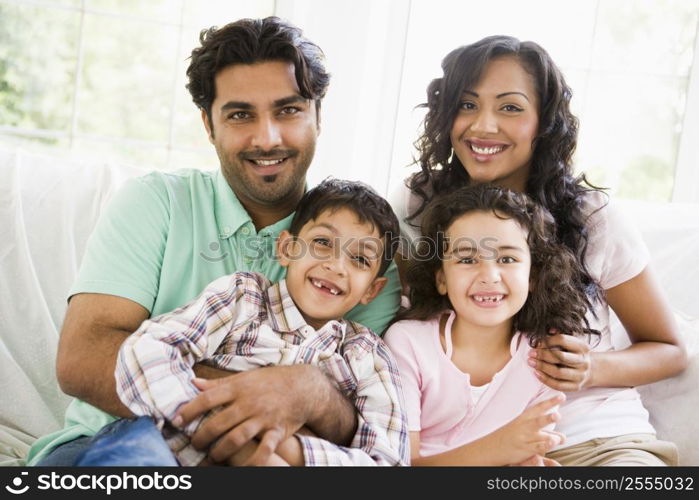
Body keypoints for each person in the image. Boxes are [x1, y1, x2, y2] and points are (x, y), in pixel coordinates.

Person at [27, 16, 400, 466]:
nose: (268, 137)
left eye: (288, 110)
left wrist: (312, 391)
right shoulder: (157, 202)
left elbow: (362, 415)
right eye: (241, 114)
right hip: (119, 437)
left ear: (318, 116)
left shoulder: (369, 263)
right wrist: (245, 400)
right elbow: (82, 360)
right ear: (208, 124)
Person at [390, 35, 686, 466]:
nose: (483, 126)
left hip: (593, 442)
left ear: (544, 121)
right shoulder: (417, 202)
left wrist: (591, 368)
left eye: (510, 107)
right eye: (467, 104)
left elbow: (669, 349)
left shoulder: (591, 216)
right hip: (472, 452)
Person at [75, 178, 408, 466]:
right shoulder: (243, 297)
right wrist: (227, 434)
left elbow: (388, 460)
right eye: (323, 242)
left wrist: (291, 452)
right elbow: (147, 349)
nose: (336, 265)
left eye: (360, 259)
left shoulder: (366, 355)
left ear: (373, 289)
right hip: (166, 444)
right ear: (287, 249)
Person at [385, 184, 596, 465]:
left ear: (532, 275)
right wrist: (499, 448)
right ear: (441, 278)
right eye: (467, 259)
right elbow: (400, 466)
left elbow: (521, 457)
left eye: (507, 259)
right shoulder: (408, 343)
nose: (489, 275)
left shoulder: (545, 359)